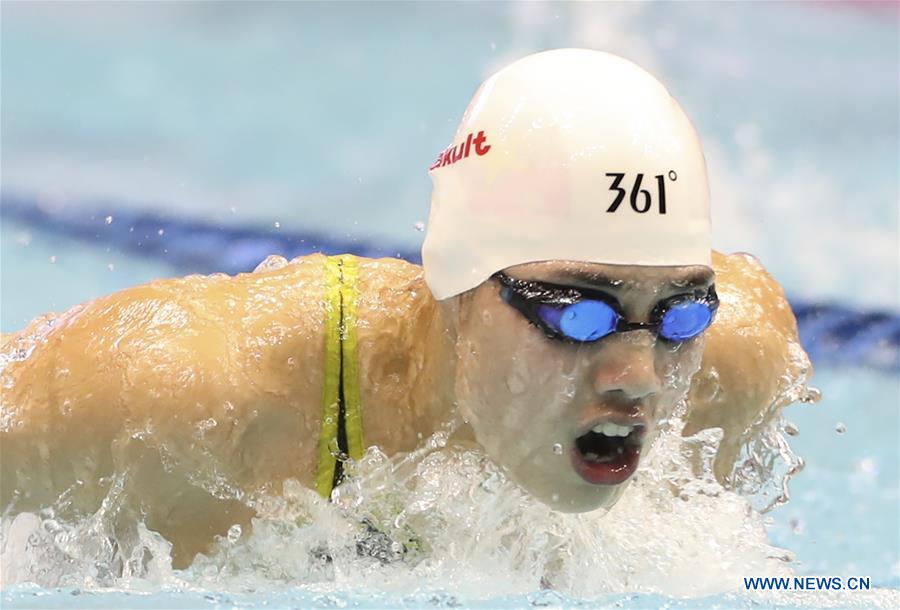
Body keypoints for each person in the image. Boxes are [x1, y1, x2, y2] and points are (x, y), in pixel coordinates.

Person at [0, 49, 810, 568]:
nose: (639, 378)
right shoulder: (187, 395)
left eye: (677, 315)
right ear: (459, 287)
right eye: (578, 315)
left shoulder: (731, 370)